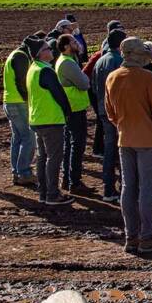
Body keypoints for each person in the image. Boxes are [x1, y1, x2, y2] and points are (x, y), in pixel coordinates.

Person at [105, 37, 152, 255]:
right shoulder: (148, 78)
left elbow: (111, 114)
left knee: (128, 188)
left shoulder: (112, 78)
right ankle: (147, 237)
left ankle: (130, 236)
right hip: (148, 141)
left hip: (125, 139)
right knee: (147, 191)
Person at [26, 38, 74, 206]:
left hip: (37, 119)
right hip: (51, 119)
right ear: (41, 53)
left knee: (42, 157)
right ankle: (53, 194)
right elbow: (59, 94)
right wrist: (68, 112)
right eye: (48, 48)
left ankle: (44, 192)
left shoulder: (33, 69)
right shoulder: (46, 71)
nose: (51, 50)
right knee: (54, 157)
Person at [94, 28, 127, 202]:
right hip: (117, 112)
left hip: (103, 109)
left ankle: (108, 189)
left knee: (108, 150)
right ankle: (123, 188)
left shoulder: (100, 61)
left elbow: (94, 86)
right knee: (121, 150)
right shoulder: (119, 61)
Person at [55, 34, 91, 193]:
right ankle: (74, 181)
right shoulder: (68, 64)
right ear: (66, 47)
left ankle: (68, 179)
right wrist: (85, 78)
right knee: (77, 145)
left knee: (70, 143)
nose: (77, 44)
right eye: (74, 42)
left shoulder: (68, 61)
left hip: (72, 108)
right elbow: (84, 83)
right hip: (74, 108)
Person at [3, 37, 38, 186]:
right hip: (19, 102)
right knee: (28, 138)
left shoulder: (15, 54)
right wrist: (28, 100)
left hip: (10, 101)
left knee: (17, 138)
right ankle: (24, 172)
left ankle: (17, 172)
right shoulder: (21, 57)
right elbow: (22, 82)